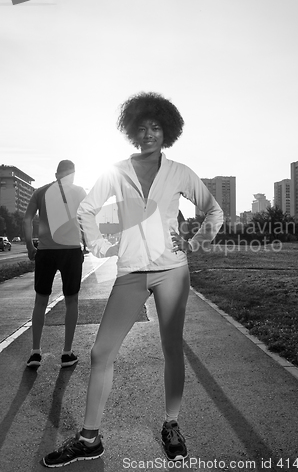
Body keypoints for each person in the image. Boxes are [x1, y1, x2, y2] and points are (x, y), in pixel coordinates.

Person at [43, 92, 223, 467]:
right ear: (133, 132)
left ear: (167, 131)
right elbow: (88, 211)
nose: (149, 134)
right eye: (142, 128)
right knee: (100, 352)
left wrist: (194, 241)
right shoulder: (117, 171)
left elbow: (213, 211)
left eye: (156, 127)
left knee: (172, 347)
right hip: (131, 273)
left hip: (173, 271)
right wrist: (100, 245)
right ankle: (90, 438)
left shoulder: (180, 173)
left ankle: (171, 425)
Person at [24, 160, 86, 369]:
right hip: (70, 251)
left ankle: (35, 352)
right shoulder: (79, 192)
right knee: (72, 301)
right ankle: (66, 353)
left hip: (46, 252)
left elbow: (27, 219)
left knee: (40, 301)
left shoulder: (40, 192)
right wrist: (87, 244)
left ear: (56, 174)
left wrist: (29, 246)